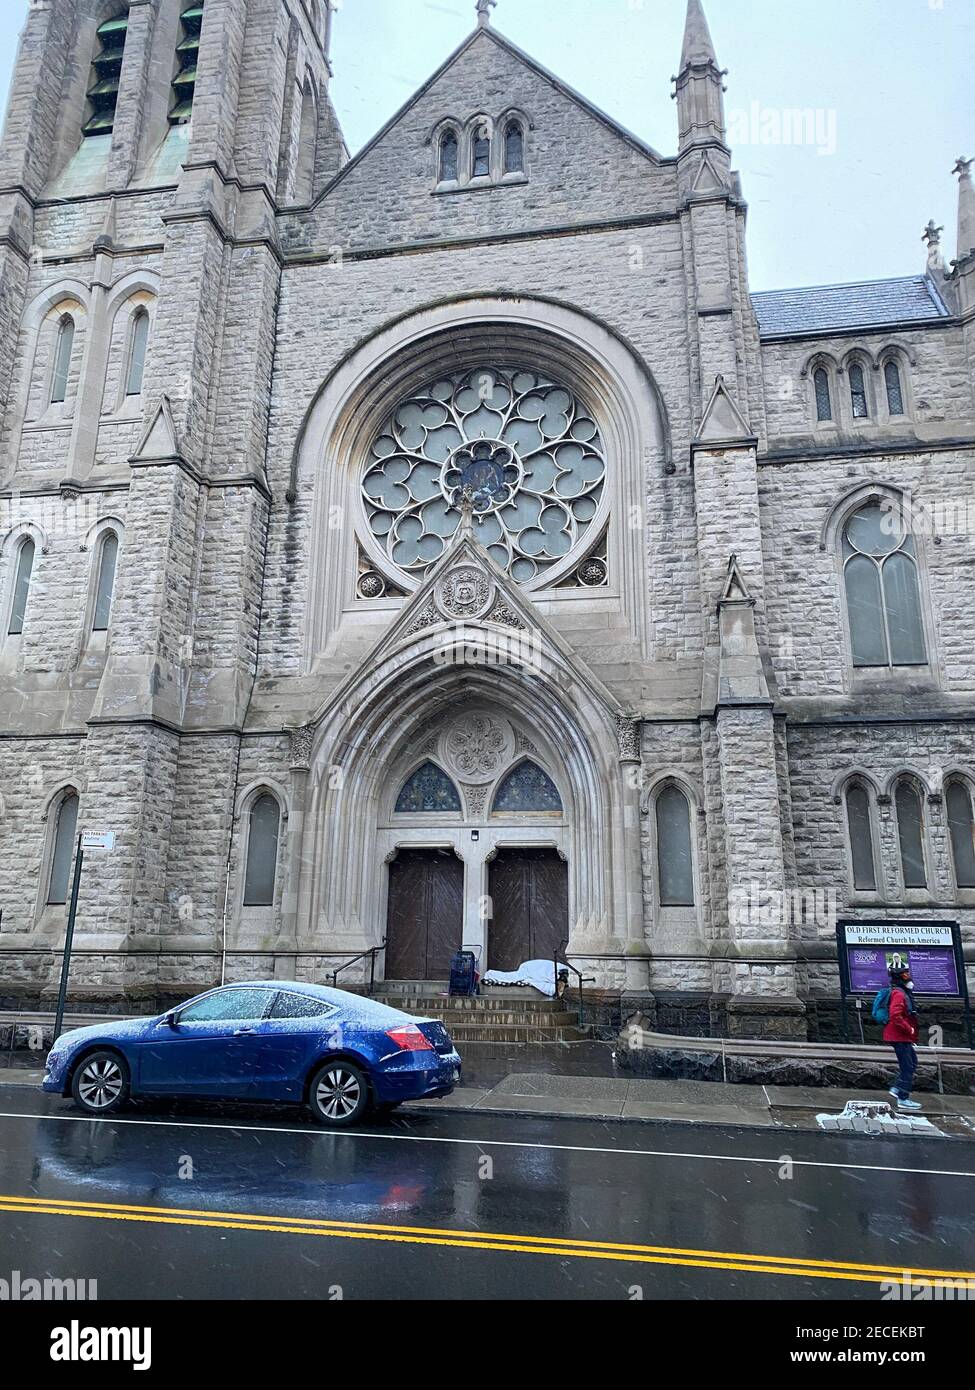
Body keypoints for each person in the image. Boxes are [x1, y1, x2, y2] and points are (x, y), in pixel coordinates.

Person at [884, 962, 922, 1111]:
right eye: (905, 974)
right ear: (900, 977)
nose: (908, 977)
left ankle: (897, 1088)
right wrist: (910, 1029)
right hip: (899, 1035)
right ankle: (903, 1097)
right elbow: (895, 1016)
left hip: (901, 1036)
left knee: (911, 1062)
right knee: (908, 1066)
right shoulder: (899, 993)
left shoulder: (901, 992)